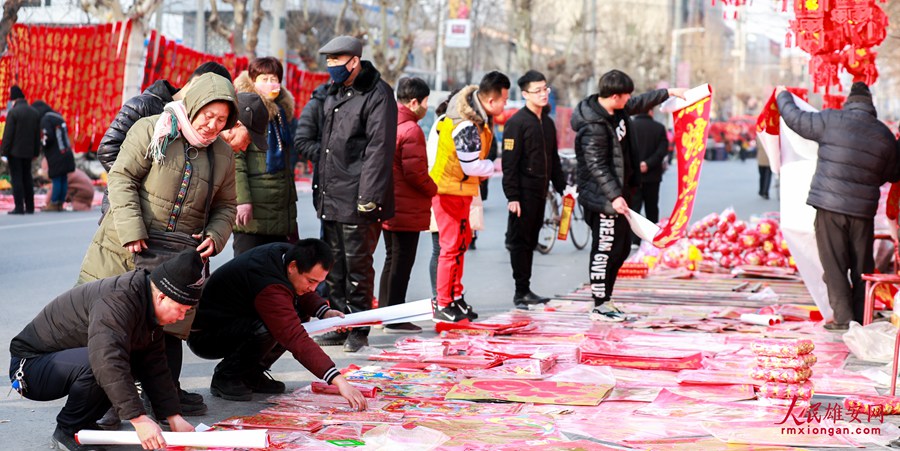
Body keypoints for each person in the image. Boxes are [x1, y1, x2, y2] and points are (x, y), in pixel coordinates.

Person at [76, 72, 239, 425]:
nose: (212, 125)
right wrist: (131, 228)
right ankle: (103, 404)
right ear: (192, 106)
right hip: (127, 246)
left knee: (165, 332)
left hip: (177, 256)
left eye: (222, 120)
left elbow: (227, 205)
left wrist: (216, 234)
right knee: (114, 327)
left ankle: (165, 403)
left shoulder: (224, 154)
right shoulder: (153, 128)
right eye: (207, 116)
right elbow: (122, 177)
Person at [9, 250, 203, 451]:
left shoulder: (147, 305)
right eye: (180, 309)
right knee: (105, 363)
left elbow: (155, 366)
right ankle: (68, 430)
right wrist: (139, 419)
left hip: (67, 362)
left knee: (132, 361)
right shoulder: (118, 300)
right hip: (30, 367)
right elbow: (106, 360)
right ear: (162, 297)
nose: (181, 317)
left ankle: (84, 424)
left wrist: (174, 417)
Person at [187, 239, 368, 410]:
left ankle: (252, 373)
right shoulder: (268, 282)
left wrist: (324, 311)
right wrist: (338, 381)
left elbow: (304, 292)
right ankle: (227, 376)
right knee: (272, 327)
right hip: (205, 335)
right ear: (292, 267)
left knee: (292, 314)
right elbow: (294, 336)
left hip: (235, 322)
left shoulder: (286, 255)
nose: (313, 288)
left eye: (318, 283)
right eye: (311, 281)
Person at [776, 82, 900, 330]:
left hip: (829, 207)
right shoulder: (883, 135)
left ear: (848, 101)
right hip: (862, 212)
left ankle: (843, 319)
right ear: (871, 105)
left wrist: (782, 96)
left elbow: (795, 119)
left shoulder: (831, 120)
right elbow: (894, 173)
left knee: (834, 264)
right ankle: (863, 316)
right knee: (862, 267)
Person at [571, 70, 684, 322]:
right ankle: (599, 304)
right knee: (604, 249)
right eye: (625, 97)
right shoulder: (593, 127)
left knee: (621, 249)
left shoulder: (617, 110)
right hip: (603, 199)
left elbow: (639, 102)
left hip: (620, 194)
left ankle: (607, 299)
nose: (628, 101)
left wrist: (669, 93)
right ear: (613, 97)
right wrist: (613, 196)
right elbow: (597, 165)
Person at [313, 36, 397, 352]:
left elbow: (379, 147)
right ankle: (338, 323)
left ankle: (358, 328)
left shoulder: (377, 93)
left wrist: (369, 195)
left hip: (360, 196)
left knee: (358, 266)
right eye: (329, 61)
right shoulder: (334, 92)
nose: (331, 66)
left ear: (354, 61)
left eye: (337, 60)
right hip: (332, 193)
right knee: (333, 267)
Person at [96, 62, 234, 221]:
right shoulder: (144, 106)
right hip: (127, 207)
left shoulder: (196, 122)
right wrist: (141, 186)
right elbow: (108, 150)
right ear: (197, 83)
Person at [430, 71, 510, 322]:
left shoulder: (477, 118)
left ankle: (455, 297)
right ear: (490, 100)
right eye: (504, 100)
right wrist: (493, 166)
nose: (505, 106)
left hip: (460, 190)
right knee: (451, 248)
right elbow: (471, 166)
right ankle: (443, 303)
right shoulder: (466, 123)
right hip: (448, 191)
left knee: (461, 244)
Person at [501, 70, 565, 309]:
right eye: (537, 90)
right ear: (526, 94)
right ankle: (520, 292)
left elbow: (554, 160)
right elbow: (509, 163)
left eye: (545, 89)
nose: (543, 94)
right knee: (520, 242)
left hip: (541, 192)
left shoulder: (547, 123)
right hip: (523, 194)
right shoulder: (517, 123)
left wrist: (563, 188)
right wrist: (513, 196)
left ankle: (526, 290)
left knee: (531, 242)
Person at [379, 77, 436, 334]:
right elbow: (415, 173)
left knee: (391, 260)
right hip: (405, 205)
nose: (426, 107)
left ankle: (384, 312)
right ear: (414, 102)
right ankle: (395, 316)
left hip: (388, 202)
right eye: (425, 102)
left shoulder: (388, 121)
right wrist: (433, 188)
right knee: (401, 262)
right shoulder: (411, 129)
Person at [232, 57, 299, 255]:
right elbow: (236, 161)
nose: (270, 83)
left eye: (274, 78)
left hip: (280, 207)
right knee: (247, 269)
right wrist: (242, 200)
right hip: (254, 208)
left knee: (276, 272)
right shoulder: (245, 111)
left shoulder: (282, 114)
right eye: (264, 78)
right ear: (252, 80)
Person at [630, 107, 669, 244]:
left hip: (633, 175)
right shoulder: (659, 128)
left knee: (634, 208)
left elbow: (624, 150)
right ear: (650, 112)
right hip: (652, 175)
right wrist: (648, 164)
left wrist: (637, 165)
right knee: (652, 207)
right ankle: (653, 238)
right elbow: (662, 150)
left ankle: (634, 240)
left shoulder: (630, 127)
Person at [1, 85, 41, 215]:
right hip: (28, 152)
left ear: (13, 99)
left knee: (17, 178)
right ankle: (30, 207)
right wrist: (36, 152)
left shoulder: (13, 112)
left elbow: (8, 135)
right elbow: (37, 135)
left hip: (15, 152)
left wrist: (4, 152)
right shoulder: (34, 112)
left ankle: (19, 207)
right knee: (27, 178)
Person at [32, 100, 76, 212]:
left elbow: (48, 136)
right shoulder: (58, 116)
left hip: (56, 154)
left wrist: (41, 145)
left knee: (56, 178)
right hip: (66, 151)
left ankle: (54, 203)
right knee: (63, 178)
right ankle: (60, 203)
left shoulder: (46, 119)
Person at [294, 82, 329, 209]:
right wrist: (330, 156)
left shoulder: (365, 100)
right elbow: (302, 141)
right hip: (327, 185)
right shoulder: (318, 104)